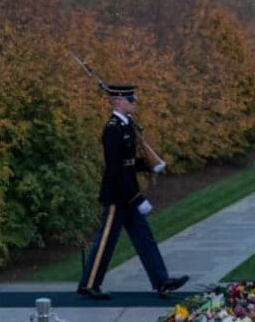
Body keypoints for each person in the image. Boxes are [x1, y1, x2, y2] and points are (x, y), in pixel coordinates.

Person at [77, 83, 188, 300]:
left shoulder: (127, 126)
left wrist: (150, 165)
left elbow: (128, 163)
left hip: (128, 194)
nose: (134, 103)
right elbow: (116, 168)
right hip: (117, 196)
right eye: (130, 100)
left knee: (145, 239)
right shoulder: (112, 129)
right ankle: (89, 284)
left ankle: (161, 281)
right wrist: (136, 198)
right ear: (118, 101)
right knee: (106, 241)